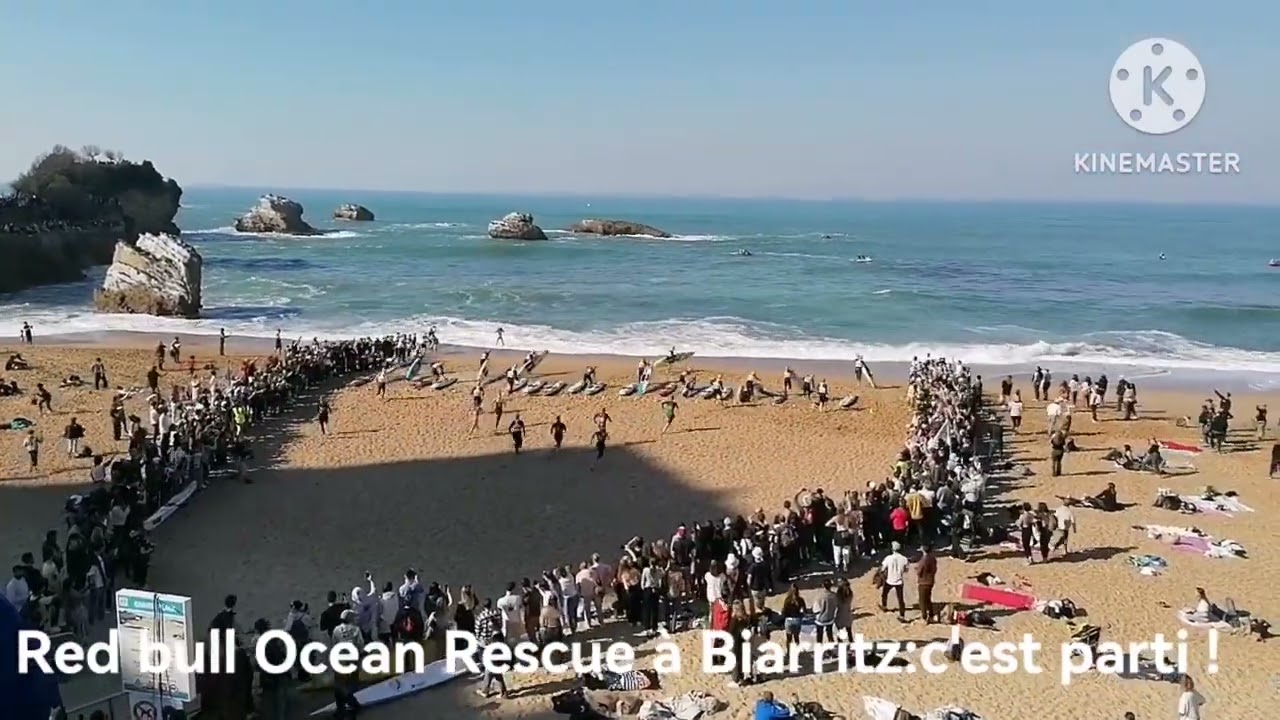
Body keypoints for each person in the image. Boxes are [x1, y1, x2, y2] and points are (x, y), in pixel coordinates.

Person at [878, 541, 908, 619]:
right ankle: (902, 615)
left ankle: (884, 606)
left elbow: (882, 568)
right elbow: (906, 570)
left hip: (889, 580)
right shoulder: (904, 559)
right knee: (900, 599)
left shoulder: (888, 558)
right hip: (899, 581)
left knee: (884, 594)